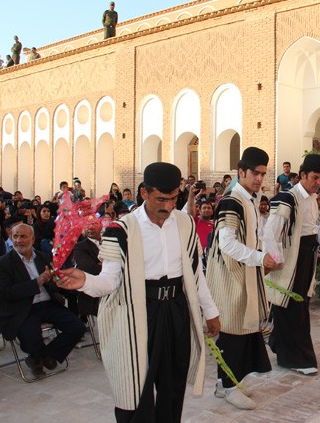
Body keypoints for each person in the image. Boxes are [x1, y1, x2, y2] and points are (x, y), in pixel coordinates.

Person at [56, 162, 220, 423]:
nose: (167, 206)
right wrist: (84, 281)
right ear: (144, 193)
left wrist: (211, 312)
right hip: (138, 313)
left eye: (173, 199)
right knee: (136, 388)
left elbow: (195, 274)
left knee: (172, 386)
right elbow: (110, 282)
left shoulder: (185, 223)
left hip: (176, 311)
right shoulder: (121, 230)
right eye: (161, 199)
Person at [206, 146, 279, 410]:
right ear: (241, 172)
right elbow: (226, 243)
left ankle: (228, 382)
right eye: (255, 173)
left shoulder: (250, 197)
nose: (259, 178)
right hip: (229, 276)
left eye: (263, 174)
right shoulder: (232, 200)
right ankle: (226, 386)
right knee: (231, 332)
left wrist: (261, 259)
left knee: (243, 330)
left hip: (245, 271)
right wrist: (260, 259)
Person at [263, 154, 320, 376]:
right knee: (290, 306)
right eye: (314, 178)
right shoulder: (288, 198)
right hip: (291, 260)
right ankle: (295, 357)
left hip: (308, 256)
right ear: (302, 175)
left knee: (300, 306)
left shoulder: (312, 198)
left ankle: (281, 345)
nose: (318, 183)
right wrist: (276, 259)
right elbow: (270, 232)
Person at [0, 224, 85, 377]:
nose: (18, 240)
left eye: (23, 236)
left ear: (32, 239)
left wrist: (56, 280)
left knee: (77, 327)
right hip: (23, 307)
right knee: (30, 338)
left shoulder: (44, 257)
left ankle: (40, 357)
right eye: (15, 236)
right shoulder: (3, 263)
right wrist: (37, 282)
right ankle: (43, 357)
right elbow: (6, 293)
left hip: (48, 303)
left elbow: (53, 286)